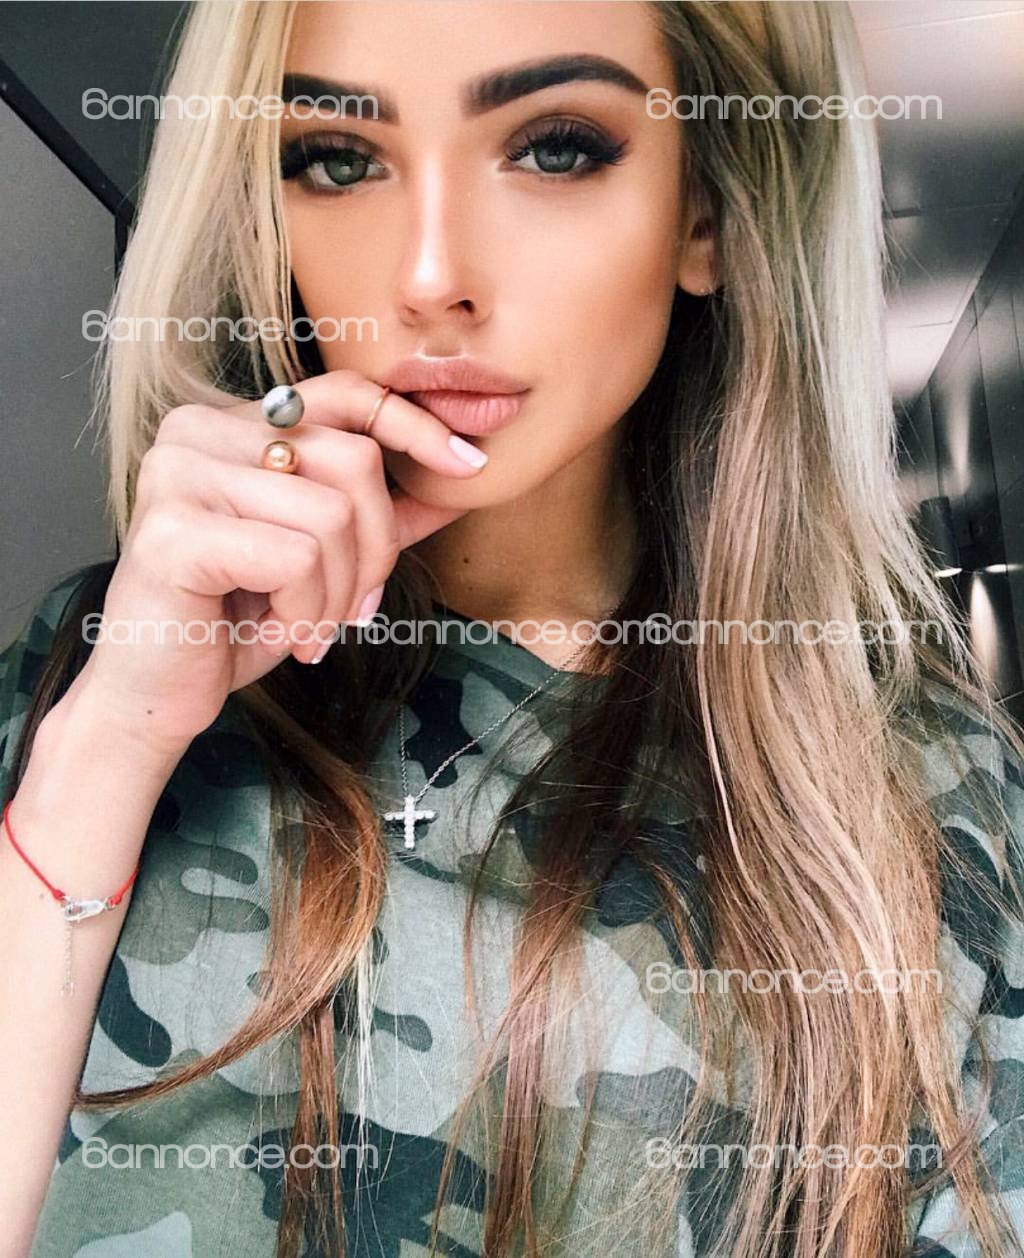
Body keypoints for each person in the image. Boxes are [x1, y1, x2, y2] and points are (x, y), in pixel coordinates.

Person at [2, 2, 1024, 1255]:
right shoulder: (87, 678)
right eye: (338, 157)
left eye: (553, 147)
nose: (429, 276)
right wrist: (111, 744)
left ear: (704, 212)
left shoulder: (934, 794)